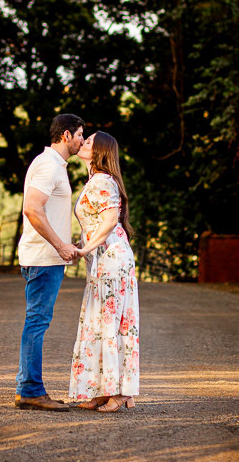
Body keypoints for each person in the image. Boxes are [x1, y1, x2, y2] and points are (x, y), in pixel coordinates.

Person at [14, 113, 85, 411]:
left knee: (37, 321)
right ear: (66, 135)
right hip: (44, 258)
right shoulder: (47, 165)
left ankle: (29, 388)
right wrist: (60, 246)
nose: (83, 140)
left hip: (48, 257)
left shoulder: (54, 165)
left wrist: (70, 244)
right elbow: (31, 208)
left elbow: (48, 211)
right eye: (81, 134)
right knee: (37, 322)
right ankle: (30, 390)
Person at [68, 131, 139, 412]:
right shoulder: (95, 181)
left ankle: (119, 393)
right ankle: (102, 390)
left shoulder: (102, 181)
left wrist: (85, 250)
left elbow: (109, 221)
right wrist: (81, 245)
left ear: (99, 152)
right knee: (100, 324)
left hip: (111, 259)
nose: (82, 144)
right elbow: (97, 224)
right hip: (103, 260)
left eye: (88, 142)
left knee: (110, 324)